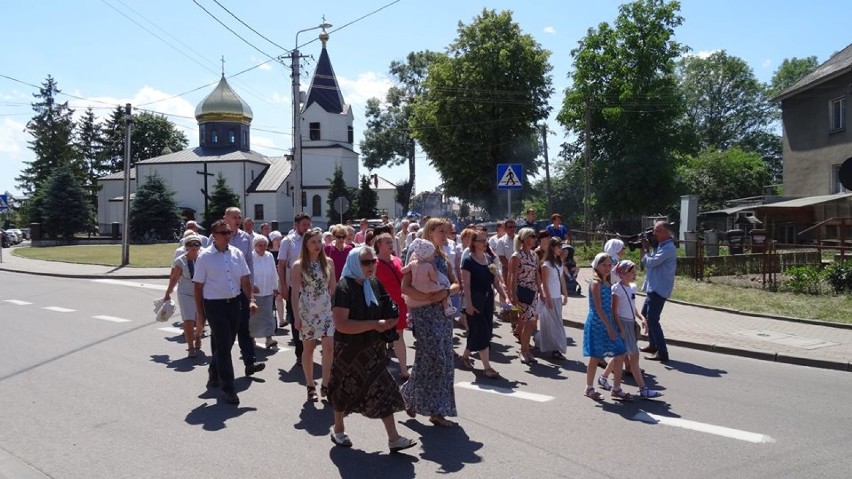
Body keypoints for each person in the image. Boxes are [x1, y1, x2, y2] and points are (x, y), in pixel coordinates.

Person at [328, 247, 417, 453]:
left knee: (383, 390)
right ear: (354, 264)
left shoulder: (375, 284)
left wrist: (390, 321)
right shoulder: (344, 288)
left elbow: (391, 308)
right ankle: (339, 429)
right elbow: (341, 324)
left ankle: (394, 438)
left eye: (373, 261)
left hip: (374, 349)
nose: (371, 266)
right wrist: (374, 324)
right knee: (342, 390)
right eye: (365, 262)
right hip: (350, 351)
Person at [400, 218, 459, 428]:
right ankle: (417, 399)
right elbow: (405, 287)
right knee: (432, 358)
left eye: (447, 231)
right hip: (424, 314)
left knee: (442, 360)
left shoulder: (443, 257)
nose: (445, 235)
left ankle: (430, 407)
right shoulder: (417, 255)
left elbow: (455, 284)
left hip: (443, 315)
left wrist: (444, 292)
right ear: (430, 232)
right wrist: (428, 299)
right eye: (441, 231)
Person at [193, 220, 258, 405]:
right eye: (223, 233)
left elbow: (245, 279)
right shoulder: (204, 257)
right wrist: (200, 314)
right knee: (223, 343)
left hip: (235, 303)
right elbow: (198, 287)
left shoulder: (237, 253)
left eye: (229, 232)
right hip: (214, 305)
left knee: (227, 343)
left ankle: (214, 372)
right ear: (214, 235)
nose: (227, 235)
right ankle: (228, 387)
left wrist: (251, 300)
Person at [598, 260, 662, 398]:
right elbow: (614, 311)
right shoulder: (617, 288)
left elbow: (632, 306)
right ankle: (642, 389)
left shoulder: (631, 287)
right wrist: (620, 328)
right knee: (633, 356)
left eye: (634, 272)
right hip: (621, 324)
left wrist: (641, 317)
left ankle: (604, 377)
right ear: (622, 273)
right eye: (631, 272)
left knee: (620, 356)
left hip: (630, 323)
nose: (634, 274)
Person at [291, 228, 337, 402]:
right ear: (306, 244)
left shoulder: (329, 262)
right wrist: (296, 316)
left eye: (319, 241)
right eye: (313, 242)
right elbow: (294, 293)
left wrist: (337, 310)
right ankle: (310, 385)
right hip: (307, 311)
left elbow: (333, 288)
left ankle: (326, 383)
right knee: (308, 349)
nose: (318, 245)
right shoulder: (299, 265)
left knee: (329, 347)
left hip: (325, 310)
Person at [582, 253, 630, 401]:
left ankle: (616, 388)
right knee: (596, 356)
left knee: (620, 352)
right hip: (597, 322)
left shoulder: (609, 282)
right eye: (604, 265)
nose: (607, 268)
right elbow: (598, 308)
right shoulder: (595, 283)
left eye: (610, 265)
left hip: (608, 321)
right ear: (596, 266)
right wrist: (610, 327)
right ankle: (589, 387)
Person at [223, 207, 265, 376]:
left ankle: (250, 363)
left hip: (241, 291)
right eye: (234, 217)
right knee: (224, 335)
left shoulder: (246, 238)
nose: (237, 220)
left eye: (239, 217)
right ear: (225, 217)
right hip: (222, 293)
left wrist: (251, 296)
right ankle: (215, 370)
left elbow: (249, 268)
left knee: (244, 329)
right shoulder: (215, 237)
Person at [461, 230, 508, 378]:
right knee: (482, 332)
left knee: (480, 331)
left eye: (485, 240)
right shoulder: (468, 261)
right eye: (481, 240)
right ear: (474, 243)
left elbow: (495, 282)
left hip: (487, 301)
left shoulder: (488, 259)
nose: (484, 243)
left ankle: (465, 355)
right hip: (475, 300)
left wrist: (505, 298)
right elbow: (466, 286)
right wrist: (468, 304)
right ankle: (487, 367)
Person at [373, 232, 409, 380]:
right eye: (386, 242)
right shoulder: (374, 263)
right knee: (380, 338)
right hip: (381, 306)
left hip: (399, 304)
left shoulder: (397, 260)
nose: (390, 244)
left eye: (391, 242)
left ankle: (404, 370)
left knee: (398, 335)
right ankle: (379, 369)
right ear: (378, 245)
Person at [640, 221, 677, 362]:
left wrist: (644, 251)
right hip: (653, 287)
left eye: (657, 231)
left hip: (659, 289)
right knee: (645, 316)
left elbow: (650, 262)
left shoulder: (668, 248)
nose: (654, 233)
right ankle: (653, 345)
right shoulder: (661, 246)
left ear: (666, 232)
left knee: (653, 320)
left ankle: (662, 352)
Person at [163, 233, 204, 358]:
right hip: (185, 292)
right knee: (188, 319)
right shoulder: (180, 260)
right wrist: (168, 292)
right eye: (190, 244)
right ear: (185, 246)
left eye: (196, 244)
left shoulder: (204, 258)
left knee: (201, 319)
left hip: (202, 292)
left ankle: (197, 334)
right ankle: (190, 347)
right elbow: (174, 278)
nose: (193, 246)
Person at [279, 212, 312, 365]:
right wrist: (283, 286)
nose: (306, 227)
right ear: (296, 225)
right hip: (295, 287)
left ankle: (309, 349)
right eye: (303, 224)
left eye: (308, 224)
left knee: (310, 319)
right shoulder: (288, 241)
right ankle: (300, 353)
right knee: (297, 321)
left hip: (312, 288)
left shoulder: (312, 240)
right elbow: (281, 265)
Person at [508, 227, 541, 365]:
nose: (534, 239)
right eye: (532, 236)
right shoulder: (517, 256)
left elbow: (537, 274)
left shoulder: (534, 255)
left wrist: (541, 290)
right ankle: (523, 350)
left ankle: (526, 349)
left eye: (535, 236)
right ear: (524, 239)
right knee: (527, 322)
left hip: (533, 293)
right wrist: (513, 296)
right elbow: (512, 277)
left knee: (532, 323)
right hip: (522, 293)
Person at [403, 238, 456, 317]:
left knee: (408, 300)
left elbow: (403, 270)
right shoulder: (429, 265)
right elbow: (434, 278)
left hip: (417, 287)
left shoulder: (413, 263)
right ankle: (447, 308)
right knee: (443, 288)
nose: (445, 235)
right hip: (428, 288)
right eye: (441, 231)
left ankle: (409, 314)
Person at [535, 237, 569, 360]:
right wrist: (548, 299)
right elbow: (544, 283)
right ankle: (556, 348)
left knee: (554, 323)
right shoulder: (546, 265)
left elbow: (561, 280)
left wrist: (565, 294)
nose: (561, 249)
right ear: (552, 248)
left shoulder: (559, 263)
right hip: (548, 297)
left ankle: (538, 341)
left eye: (561, 247)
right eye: (558, 247)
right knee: (553, 324)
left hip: (557, 297)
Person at [249, 235, 279, 350]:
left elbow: (273, 271)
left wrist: (275, 286)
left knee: (268, 315)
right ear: (255, 245)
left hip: (268, 290)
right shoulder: (250, 257)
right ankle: (252, 337)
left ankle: (269, 338)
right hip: (254, 292)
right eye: (259, 245)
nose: (262, 247)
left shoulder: (269, 256)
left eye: (264, 245)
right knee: (254, 316)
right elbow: (247, 273)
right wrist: (251, 285)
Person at [495, 219, 516, 285]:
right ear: (506, 229)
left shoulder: (520, 239)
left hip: (521, 271)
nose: (512, 229)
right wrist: (512, 269)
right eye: (510, 227)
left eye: (514, 227)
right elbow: (502, 258)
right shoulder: (501, 241)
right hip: (508, 271)